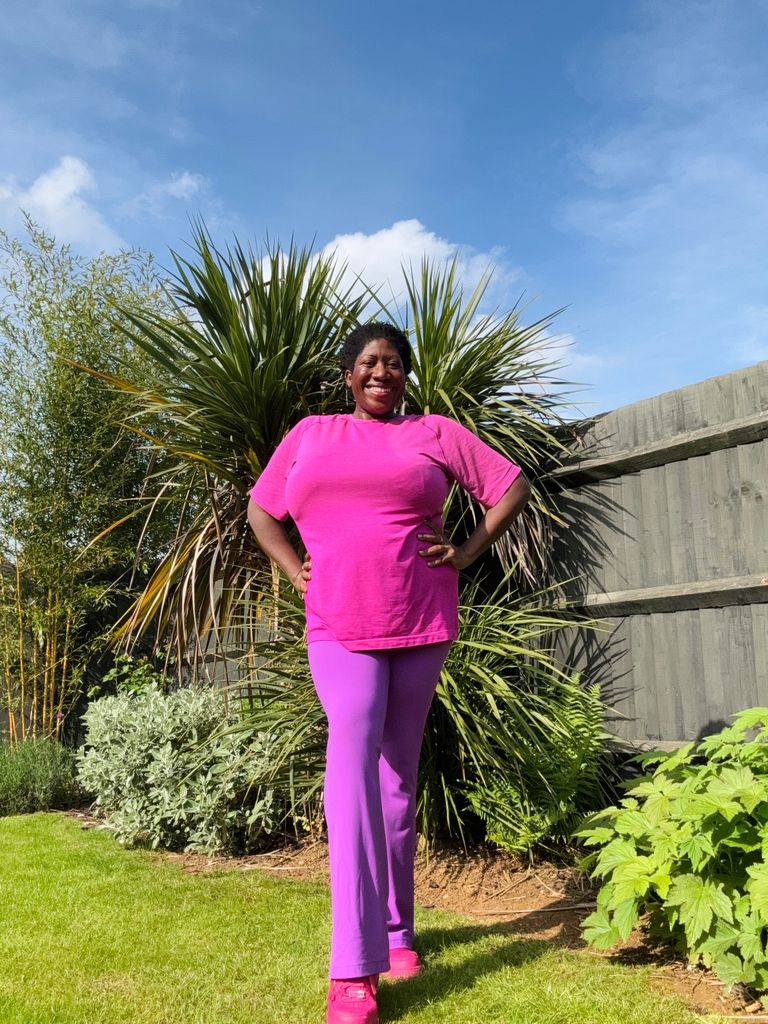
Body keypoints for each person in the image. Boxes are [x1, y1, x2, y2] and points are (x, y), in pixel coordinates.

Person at [247, 322, 530, 1024]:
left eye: (395, 364)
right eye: (370, 362)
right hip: (338, 624)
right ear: (348, 374)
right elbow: (262, 510)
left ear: (406, 376)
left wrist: (465, 553)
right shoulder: (310, 435)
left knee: (398, 776)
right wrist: (294, 571)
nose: (383, 372)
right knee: (350, 765)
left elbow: (509, 485)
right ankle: (354, 969)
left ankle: (401, 934)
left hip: (420, 619)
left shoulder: (433, 431)